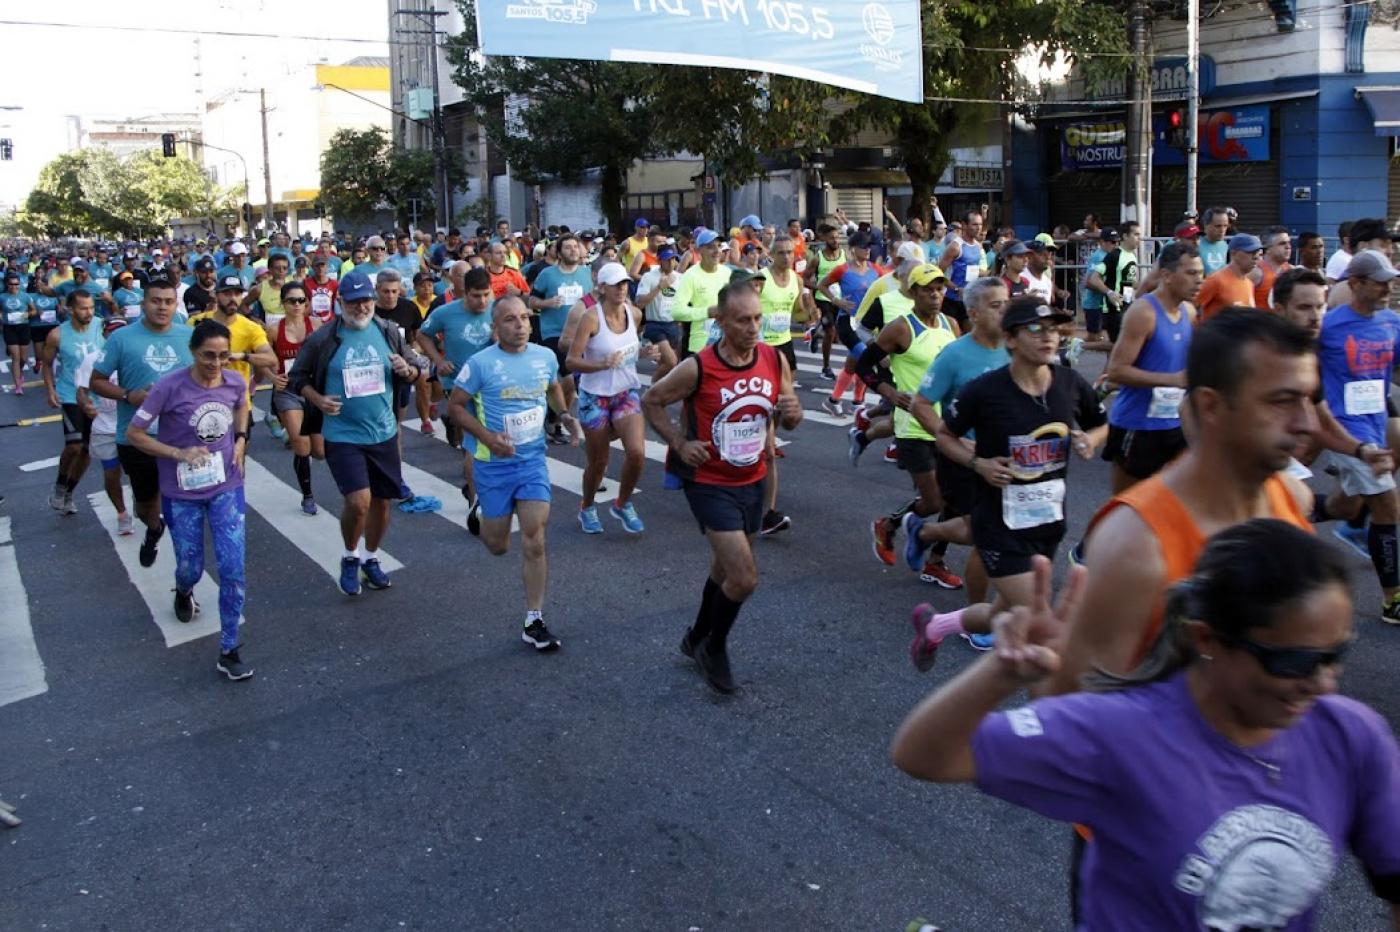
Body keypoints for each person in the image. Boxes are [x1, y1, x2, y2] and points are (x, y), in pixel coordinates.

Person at [891, 520, 1400, 932]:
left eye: (1336, 655)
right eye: (1292, 662)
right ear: (1208, 639)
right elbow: (924, 754)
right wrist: (999, 675)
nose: (1323, 684)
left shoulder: (1351, 736)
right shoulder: (1123, 732)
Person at [1051, 310, 1317, 695]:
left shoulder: (1293, 498)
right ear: (1210, 406)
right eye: (1282, 401)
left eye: (1308, 399)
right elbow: (1069, 707)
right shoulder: (1136, 545)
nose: (1306, 423)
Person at [908, 297, 1107, 669]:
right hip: (998, 523)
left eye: (1054, 329)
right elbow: (945, 437)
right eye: (1036, 328)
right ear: (1011, 339)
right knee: (1039, 617)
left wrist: (1090, 440)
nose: (1049, 337)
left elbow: (1100, 421)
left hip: (1048, 520)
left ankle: (935, 626)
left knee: (1002, 610)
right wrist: (977, 463)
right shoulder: (984, 391)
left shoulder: (1069, 382)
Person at [642, 284, 803, 693]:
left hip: (751, 478)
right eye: (742, 321)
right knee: (744, 576)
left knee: (723, 568)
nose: (753, 328)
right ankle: (715, 646)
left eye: (757, 318)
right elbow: (652, 400)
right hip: (709, 481)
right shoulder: (700, 366)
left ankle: (695, 635)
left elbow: (787, 417)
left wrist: (793, 412)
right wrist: (679, 443)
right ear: (721, 323)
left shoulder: (772, 358)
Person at [448, 296, 581, 651]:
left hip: (531, 461)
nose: (520, 325)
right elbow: (455, 406)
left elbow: (552, 386)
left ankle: (534, 619)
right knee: (497, 545)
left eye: (524, 317)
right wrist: (488, 437)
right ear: (496, 327)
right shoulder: (479, 364)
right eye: (510, 319)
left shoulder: (544, 357)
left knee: (535, 538)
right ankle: (478, 505)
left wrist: (565, 415)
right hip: (492, 466)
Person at [286, 270, 427, 596]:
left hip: (383, 432)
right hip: (342, 434)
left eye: (366, 301)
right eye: (354, 302)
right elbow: (297, 378)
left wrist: (409, 370)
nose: (361, 307)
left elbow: (420, 368)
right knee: (359, 501)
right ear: (340, 303)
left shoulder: (389, 331)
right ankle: (350, 555)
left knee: (381, 503)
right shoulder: (323, 339)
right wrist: (318, 399)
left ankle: (371, 558)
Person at [125, 319, 252, 681]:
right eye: (208, 356)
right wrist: (177, 453)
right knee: (190, 566)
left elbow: (241, 405)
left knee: (233, 568)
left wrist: (241, 440)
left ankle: (229, 648)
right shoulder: (168, 387)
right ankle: (184, 589)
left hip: (226, 485)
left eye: (224, 356)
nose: (216, 363)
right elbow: (135, 434)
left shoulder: (234, 380)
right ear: (193, 352)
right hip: (182, 493)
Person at [897, 277, 1010, 617]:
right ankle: (978, 618)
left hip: (1005, 456)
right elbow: (920, 404)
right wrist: (950, 437)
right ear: (974, 313)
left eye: (1006, 303)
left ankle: (925, 531)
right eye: (995, 305)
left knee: (1001, 529)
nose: (1004, 311)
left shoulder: (1015, 347)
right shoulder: (955, 354)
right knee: (983, 533)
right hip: (961, 458)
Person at [856, 263, 964, 588]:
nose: (935, 294)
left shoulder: (952, 324)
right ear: (914, 292)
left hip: (946, 426)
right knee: (933, 501)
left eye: (940, 288)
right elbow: (864, 364)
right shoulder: (901, 328)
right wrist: (889, 392)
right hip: (913, 426)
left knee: (958, 501)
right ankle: (888, 525)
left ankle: (936, 562)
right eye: (928, 289)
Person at [1315, 250, 1400, 622]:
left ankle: (1273, 510)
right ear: (1355, 284)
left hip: (1376, 423)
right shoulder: (1328, 327)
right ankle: (1393, 600)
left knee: (1346, 507)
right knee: (1387, 505)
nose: (1388, 286)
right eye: (1379, 280)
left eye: (1390, 279)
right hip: (1345, 428)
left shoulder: (1392, 323)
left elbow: (1394, 371)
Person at [90, 276, 194, 568]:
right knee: (146, 504)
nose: (162, 307)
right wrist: (129, 395)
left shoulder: (188, 336)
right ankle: (153, 528)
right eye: (155, 301)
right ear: (143, 302)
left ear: (176, 304)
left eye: (168, 302)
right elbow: (96, 381)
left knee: (183, 507)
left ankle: (186, 576)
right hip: (137, 438)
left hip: (181, 438)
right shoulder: (121, 339)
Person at [1101, 243, 1201, 493]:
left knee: (1173, 507)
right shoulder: (1144, 313)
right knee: (1128, 509)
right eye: (1191, 273)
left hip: (1175, 425)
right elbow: (1117, 371)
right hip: (1137, 426)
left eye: (1201, 273)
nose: (1199, 280)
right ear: (1166, 275)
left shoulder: (1189, 312)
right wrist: (1172, 380)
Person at [564, 262, 654, 535]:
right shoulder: (591, 318)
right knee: (599, 462)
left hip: (626, 392)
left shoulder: (634, 313)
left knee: (637, 454)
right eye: (616, 284)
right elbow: (571, 361)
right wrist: (602, 364)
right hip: (595, 396)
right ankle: (587, 506)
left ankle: (623, 503)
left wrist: (644, 354)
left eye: (625, 283)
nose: (622, 289)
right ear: (602, 288)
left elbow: (626, 351)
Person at [418, 265, 496, 531]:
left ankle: (475, 489)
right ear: (465, 293)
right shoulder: (445, 312)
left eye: (486, 294)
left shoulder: (497, 308)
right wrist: (438, 360)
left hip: (491, 385)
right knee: (476, 443)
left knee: (490, 441)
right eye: (476, 296)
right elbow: (422, 334)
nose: (482, 301)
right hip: (459, 386)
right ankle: (477, 507)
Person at [41, 290, 104, 515]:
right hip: (70, 394)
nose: (89, 312)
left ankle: (69, 491)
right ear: (70, 309)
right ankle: (59, 484)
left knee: (87, 451)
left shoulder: (101, 326)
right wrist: (50, 390)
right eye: (83, 308)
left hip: (97, 396)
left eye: (91, 307)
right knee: (74, 445)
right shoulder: (57, 335)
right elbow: (46, 364)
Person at [266, 280, 323, 515]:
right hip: (288, 391)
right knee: (301, 444)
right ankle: (307, 495)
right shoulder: (273, 330)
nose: (297, 305)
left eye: (301, 300)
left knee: (319, 452)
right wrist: (271, 376)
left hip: (314, 391)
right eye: (292, 301)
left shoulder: (317, 325)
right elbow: (264, 361)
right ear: (283, 303)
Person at [76, 317, 133, 535]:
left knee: (142, 472)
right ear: (105, 334)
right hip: (105, 427)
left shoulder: (135, 356)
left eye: (121, 331)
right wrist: (86, 405)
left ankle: (144, 505)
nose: (116, 336)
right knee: (111, 474)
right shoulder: (92, 360)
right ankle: (121, 513)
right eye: (112, 332)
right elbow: (81, 391)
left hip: (134, 426)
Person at [671, 229, 734, 357]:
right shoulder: (690, 276)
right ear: (699, 251)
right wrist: (707, 312)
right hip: (700, 347)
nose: (717, 251)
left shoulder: (727, 273)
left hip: (726, 345)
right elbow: (676, 312)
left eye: (719, 246)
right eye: (711, 247)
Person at [806, 224, 846, 379]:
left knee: (836, 332)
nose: (835, 240)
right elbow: (804, 279)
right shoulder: (817, 258)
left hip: (839, 299)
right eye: (832, 238)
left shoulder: (844, 255)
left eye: (837, 237)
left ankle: (815, 332)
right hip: (823, 298)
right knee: (830, 331)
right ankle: (826, 368)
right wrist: (820, 286)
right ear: (824, 239)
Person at [1197, 233, 1262, 320]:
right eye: (1250, 252)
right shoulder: (1216, 280)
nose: (1255, 257)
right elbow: (1191, 308)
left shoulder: (1249, 284)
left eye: (1257, 253)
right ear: (1233, 253)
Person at [1, 271, 33, 394]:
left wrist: (28, 314)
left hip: (23, 327)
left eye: (16, 284)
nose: (14, 286)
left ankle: (20, 372)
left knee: (23, 358)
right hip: (9, 328)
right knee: (16, 356)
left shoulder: (25, 296)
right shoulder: (2, 297)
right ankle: (18, 385)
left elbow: (34, 310)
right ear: (7, 285)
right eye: (11, 284)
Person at [1254, 226, 1292, 309]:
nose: (1288, 247)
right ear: (1267, 249)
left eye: (1289, 242)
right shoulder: (1256, 273)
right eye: (1282, 243)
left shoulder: (1292, 271)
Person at [1197, 205, 1233, 276]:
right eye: (1218, 226)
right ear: (1206, 225)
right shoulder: (1196, 245)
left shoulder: (1225, 246)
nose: (1222, 230)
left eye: (1225, 226)